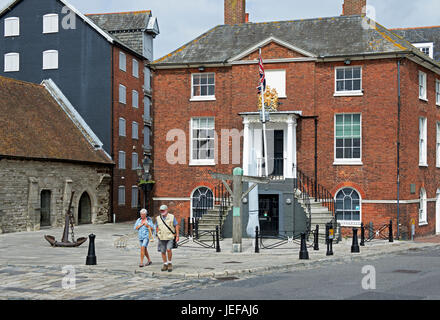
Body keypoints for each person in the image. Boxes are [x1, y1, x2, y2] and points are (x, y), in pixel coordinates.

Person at [156, 204, 179, 272]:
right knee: (163, 251)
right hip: (161, 237)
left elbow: (176, 225)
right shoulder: (158, 218)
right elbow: (156, 226)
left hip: (170, 237)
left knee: (169, 249)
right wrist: (157, 234)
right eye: (161, 210)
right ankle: (165, 264)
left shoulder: (172, 217)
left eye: (163, 210)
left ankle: (169, 263)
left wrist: (177, 236)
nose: (162, 211)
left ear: (166, 210)